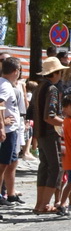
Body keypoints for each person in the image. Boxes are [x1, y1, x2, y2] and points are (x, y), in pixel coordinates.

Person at [31, 56, 66, 216]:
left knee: (44, 166)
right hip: (50, 133)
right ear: (56, 73)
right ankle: (44, 204)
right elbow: (49, 116)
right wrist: (66, 123)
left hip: (40, 132)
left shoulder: (39, 87)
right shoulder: (52, 89)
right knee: (56, 167)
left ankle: (39, 204)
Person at [0, 57, 25, 206]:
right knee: (2, 165)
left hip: (12, 130)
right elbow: (0, 102)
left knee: (12, 162)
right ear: (15, 71)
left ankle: (11, 193)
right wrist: (2, 125)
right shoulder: (4, 85)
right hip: (7, 131)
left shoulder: (8, 84)